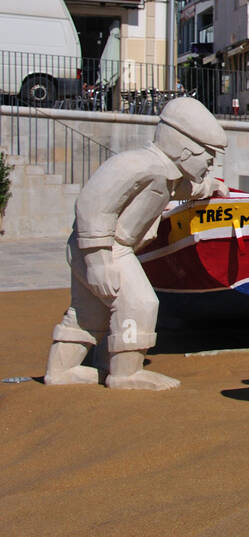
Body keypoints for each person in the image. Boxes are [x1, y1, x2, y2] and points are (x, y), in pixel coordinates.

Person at [46, 98, 228, 390]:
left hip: (102, 248)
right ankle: (125, 373)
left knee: (89, 312)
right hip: (106, 248)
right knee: (139, 303)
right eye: (208, 158)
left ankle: (62, 370)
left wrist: (210, 186)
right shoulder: (138, 165)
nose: (210, 164)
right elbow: (93, 204)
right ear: (185, 150)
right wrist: (99, 261)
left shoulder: (165, 173)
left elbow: (181, 188)